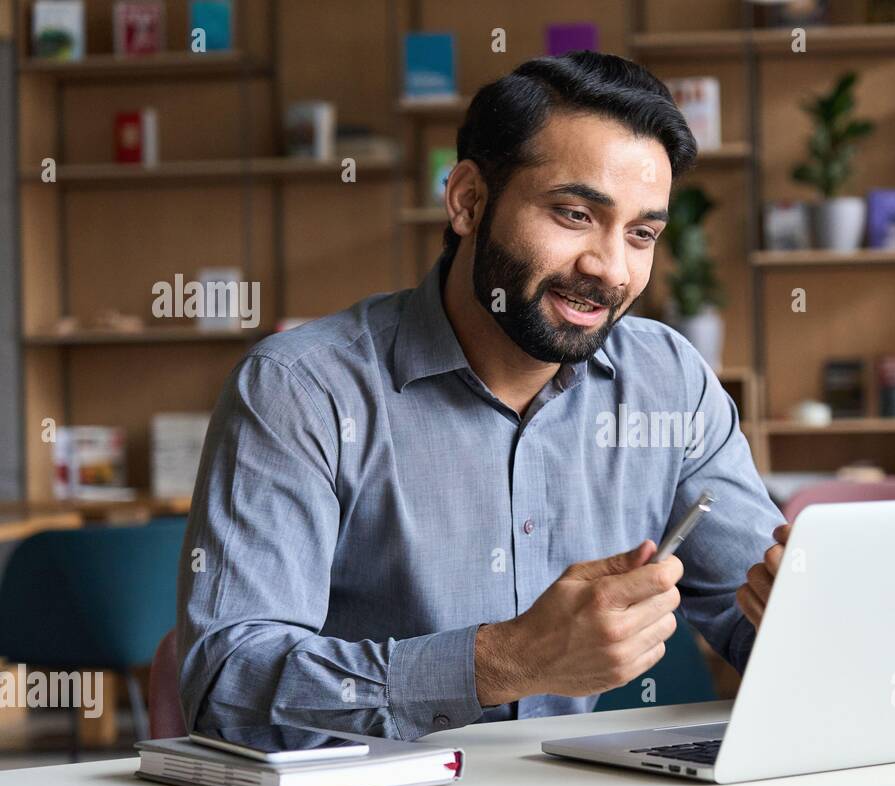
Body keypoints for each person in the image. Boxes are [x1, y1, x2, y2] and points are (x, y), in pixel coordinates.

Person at [177, 52, 790, 738]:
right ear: (468, 200)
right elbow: (226, 686)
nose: (611, 269)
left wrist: (806, 614)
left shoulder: (668, 382)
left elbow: (761, 614)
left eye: (642, 233)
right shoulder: (302, 390)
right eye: (574, 214)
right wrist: (500, 662)